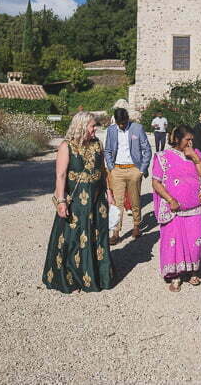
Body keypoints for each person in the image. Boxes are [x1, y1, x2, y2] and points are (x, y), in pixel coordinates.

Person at [43, 112, 113, 293]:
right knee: (73, 240)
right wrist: (61, 201)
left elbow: (103, 170)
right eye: (92, 126)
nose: (95, 129)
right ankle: (72, 278)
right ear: (81, 126)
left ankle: (97, 275)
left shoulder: (97, 144)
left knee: (98, 237)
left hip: (97, 201)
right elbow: (60, 175)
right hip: (77, 203)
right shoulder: (67, 146)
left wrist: (109, 192)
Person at [151, 125, 201, 292]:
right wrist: (170, 199)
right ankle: (175, 275)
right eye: (187, 139)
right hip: (174, 209)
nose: (191, 142)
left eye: (192, 139)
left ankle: (191, 271)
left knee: (195, 240)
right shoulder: (163, 157)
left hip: (194, 207)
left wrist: (195, 158)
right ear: (177, 139)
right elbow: (156, 182)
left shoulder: (195, 153)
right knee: (174, 241)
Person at [104, 108, 152, 245]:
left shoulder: (137, 128)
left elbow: (147, 149)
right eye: (119, 123)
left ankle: (137, 226)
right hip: (117, 170)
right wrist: (111, 168)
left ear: (127, 119)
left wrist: (142, 169)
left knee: (135, 200)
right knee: (117, 203)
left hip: (133, 169)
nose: (121, 126)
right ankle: (115, 232)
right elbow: (107, 150)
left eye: (124, 123)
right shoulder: (111, 130)